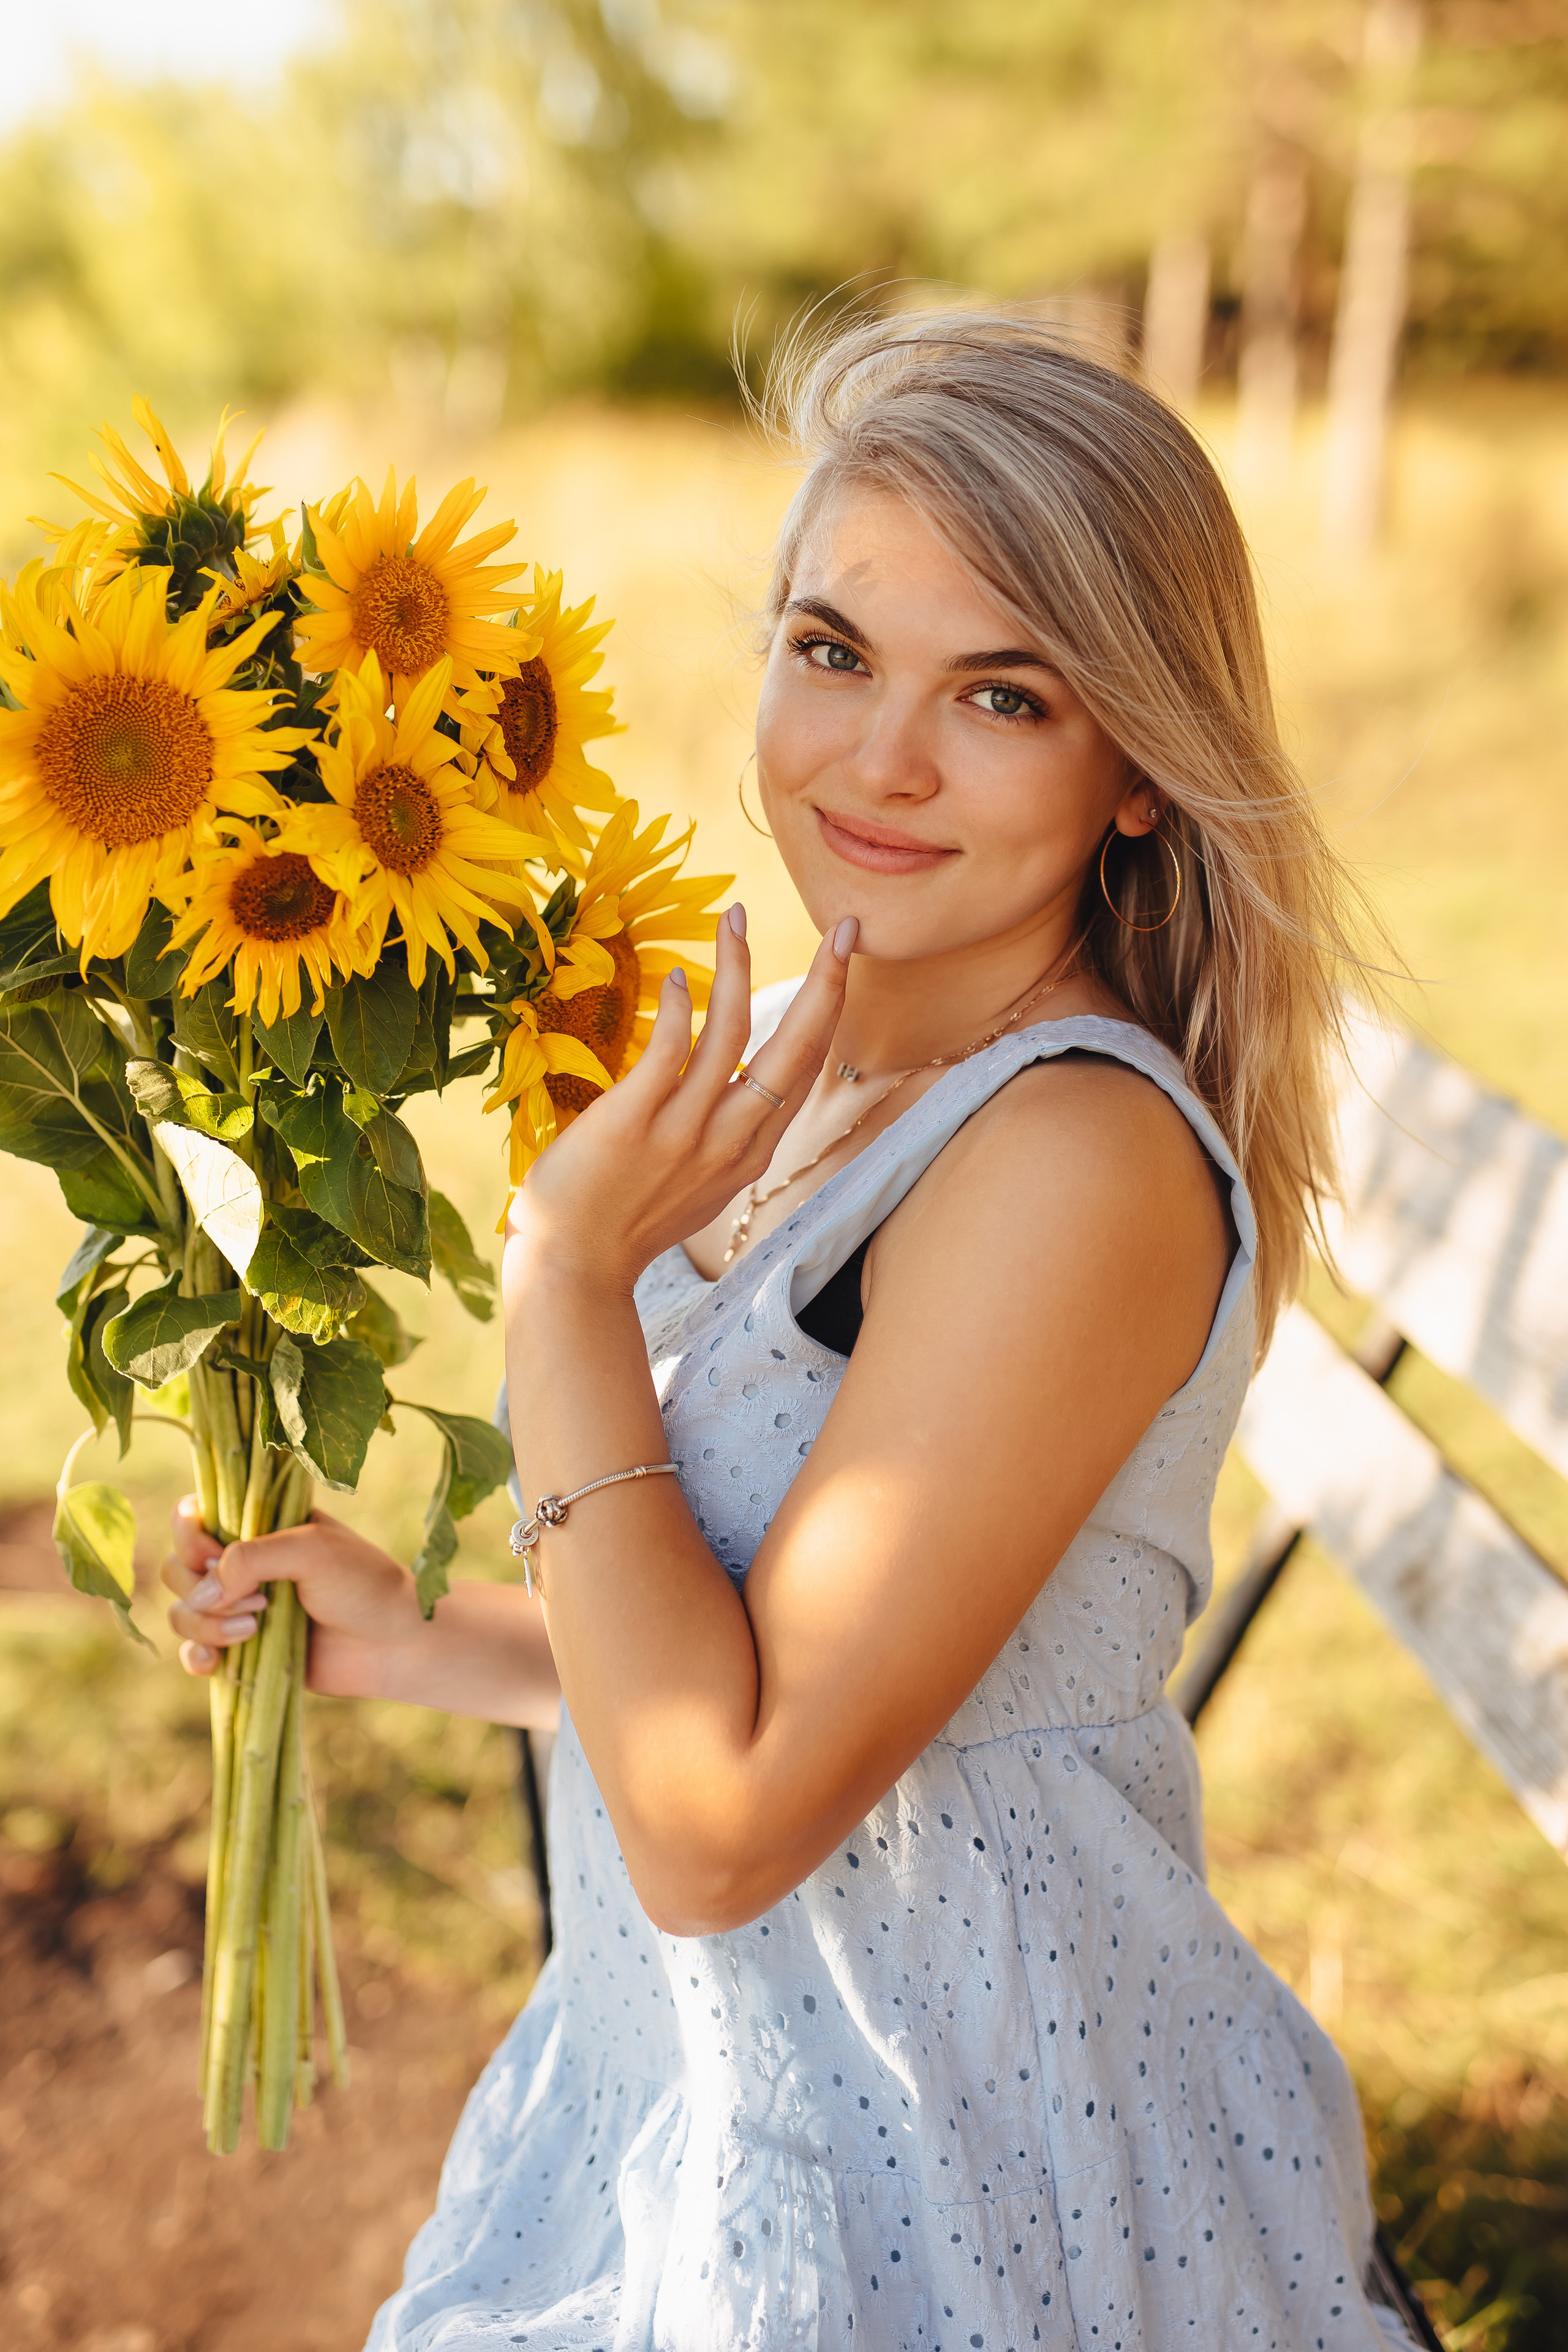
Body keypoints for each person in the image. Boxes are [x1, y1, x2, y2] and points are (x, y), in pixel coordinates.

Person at [165, 311, 1417, 2350]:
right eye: (834, 652)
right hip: (720, 2087)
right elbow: (766, 1644)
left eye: (1001, 695)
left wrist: (568, 1281)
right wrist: (421, 1639)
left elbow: (722, 1825)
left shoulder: (1068, 1159)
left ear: (1135, 770)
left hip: (955, 2155)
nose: (880, 759)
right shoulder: (834, 1080)